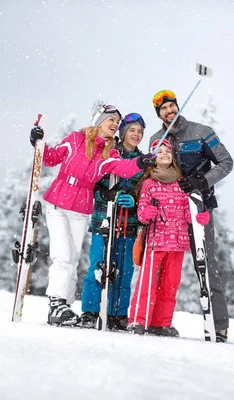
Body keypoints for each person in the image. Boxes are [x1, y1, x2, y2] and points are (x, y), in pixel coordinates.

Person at [29, 103, 155, 326]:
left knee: (74, 259)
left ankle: (64, 307)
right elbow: (51, 158)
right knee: (62, 255)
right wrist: (38, 142)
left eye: (117, 122)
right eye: (111, 120)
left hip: (80, 209)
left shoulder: (110, 152)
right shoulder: (76, 139)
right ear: (99, 121)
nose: (115, 125)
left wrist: (140, 162)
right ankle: (56, 302)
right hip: (59, 203)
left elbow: (124, 169)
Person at [148, 90, 234, 343]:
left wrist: (202, 180)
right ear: (159, 114)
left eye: (172, 106)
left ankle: (217, 326)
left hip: (198, 207)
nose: (169, 111)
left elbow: (226, 162)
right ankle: (154, 321)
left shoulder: (200, 131)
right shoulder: (156, 139)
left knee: (205, 263)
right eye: (164, 109)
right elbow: (151, 172)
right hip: (167, 213)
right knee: (162, 267)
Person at [127, 139, 210, 336]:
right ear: (153, 157)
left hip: (177, 242)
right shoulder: (149, 183)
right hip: (156, 240)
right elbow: (141, 212)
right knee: (147, 282)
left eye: (167, 151)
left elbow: (187, 212)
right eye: (159, 151)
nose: (164, 153)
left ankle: (160, 322)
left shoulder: (181, 183)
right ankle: (138, 320)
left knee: (170, 284)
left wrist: (199, 217)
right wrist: (146, 212)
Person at [79, 112, 147, 330]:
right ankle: (90, 311)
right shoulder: (107, 153)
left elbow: (145, 191)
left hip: (128, 223)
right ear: (123, 132)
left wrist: (134, 200)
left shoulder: (143, 161)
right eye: (132, 130)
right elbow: (92, 181)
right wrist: (105, 195)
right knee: (99, 265)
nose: (136, 135)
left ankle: (117, 314)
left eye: (140, 132)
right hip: (104, 219)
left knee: (124, 270)